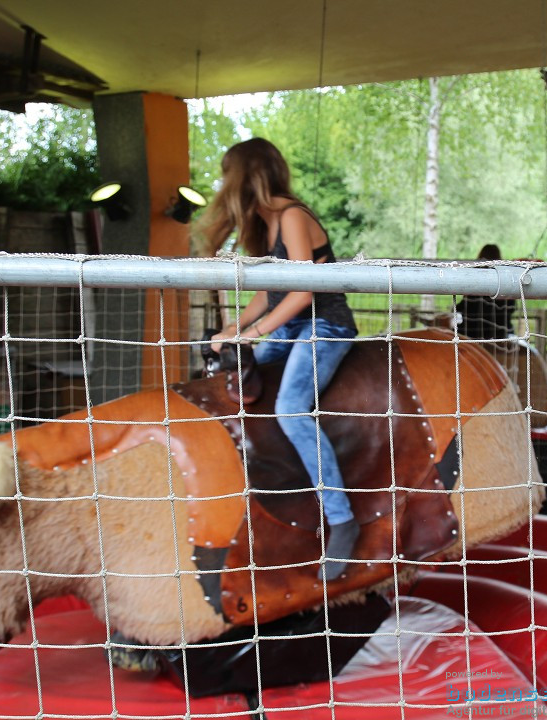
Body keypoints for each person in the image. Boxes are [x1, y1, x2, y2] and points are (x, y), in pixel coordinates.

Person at [202, 138, 359, 581]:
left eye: (226, 174)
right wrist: (235, 329)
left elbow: (303, 291)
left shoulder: (292, 215)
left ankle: (342, 519)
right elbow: (268, 291)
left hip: (323, 325)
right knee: (244, 381)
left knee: (291, 407)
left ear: (246, 177)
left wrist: (254, 333)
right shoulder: (265, 224)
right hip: (290, 324)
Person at [455, 244, 516, 340]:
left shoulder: (474, 279)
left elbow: (462, 307)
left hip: (471, 333)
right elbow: (511, 308)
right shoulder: (505, 279)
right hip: (500, 333)